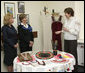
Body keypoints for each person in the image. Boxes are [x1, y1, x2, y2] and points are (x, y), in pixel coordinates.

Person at [63, 7, 80, 72]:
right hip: (66, 39)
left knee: (73, 55)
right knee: (66, 55)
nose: (65, 14)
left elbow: (76, 32)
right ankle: (68, 68)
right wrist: (61, 31)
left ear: (70, 13)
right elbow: (65, 30)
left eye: (66, 13)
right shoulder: (66, 20)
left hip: (72, 40)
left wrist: (68, 30)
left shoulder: (76, 20)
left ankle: (75, 69)